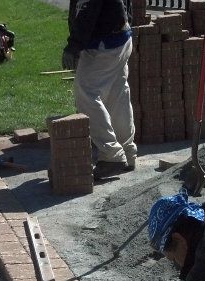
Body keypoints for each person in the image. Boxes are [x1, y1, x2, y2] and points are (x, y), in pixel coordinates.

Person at [62, 0, 137, 179]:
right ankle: (127, 151)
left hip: (104, 43)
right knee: (117, 94)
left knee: (86, 92)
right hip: (120, 37)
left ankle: (111, 155)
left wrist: (73, 46)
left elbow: (89, 10)